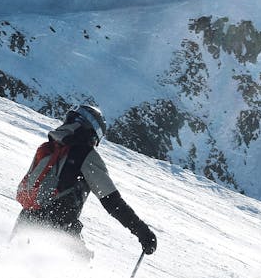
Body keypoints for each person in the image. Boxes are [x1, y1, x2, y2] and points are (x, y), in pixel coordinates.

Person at [15, 104, 157, 257]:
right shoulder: (85, 154)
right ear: (94, 132)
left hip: (25, 220)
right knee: (78, 265)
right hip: (57, 227)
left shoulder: (50, 147)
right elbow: (112, 201)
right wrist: (142, 232)